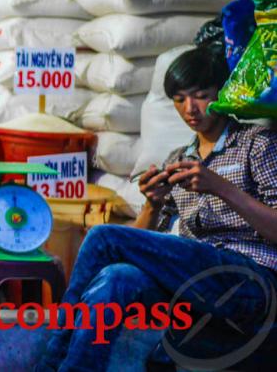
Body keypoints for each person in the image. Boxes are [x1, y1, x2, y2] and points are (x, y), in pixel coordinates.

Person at [38, 43, 277, 371]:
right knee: (115, 277)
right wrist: (153, 203)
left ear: (221, 93)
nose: (191, 108)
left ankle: (49, 362)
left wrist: (221, 187)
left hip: (249, 282)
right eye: (179, 99)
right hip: (196, 281)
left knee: (104, 237)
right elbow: (143, 246)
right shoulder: (178, 160)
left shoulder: (257, 144)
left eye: (201, 95)